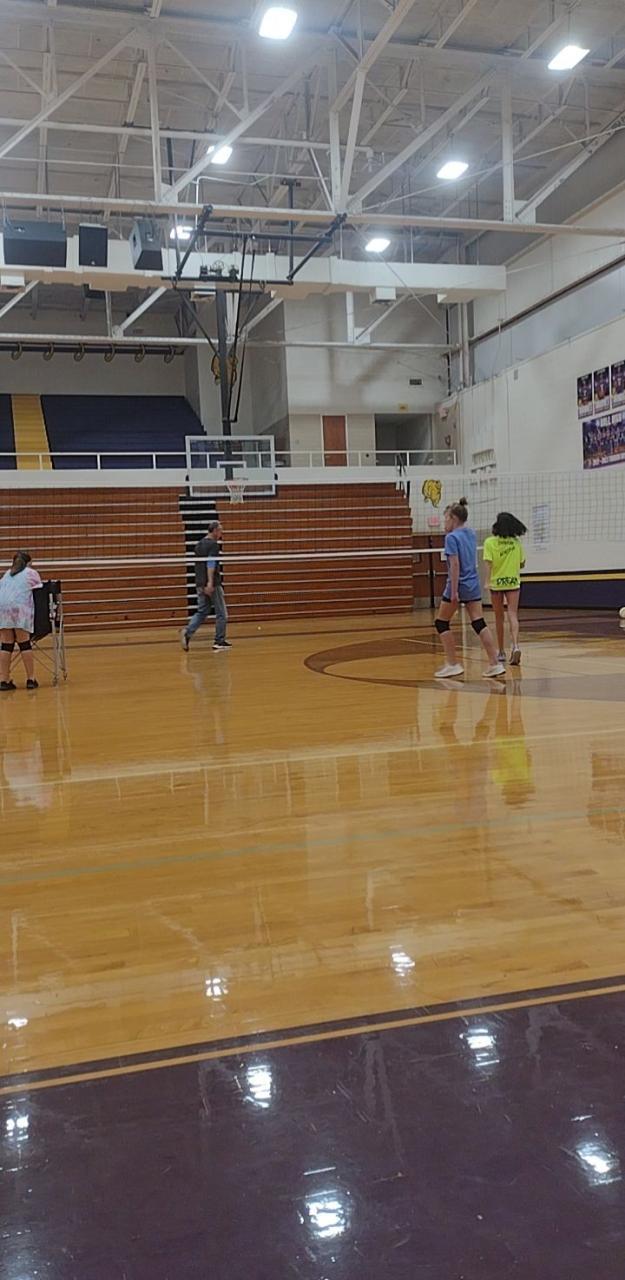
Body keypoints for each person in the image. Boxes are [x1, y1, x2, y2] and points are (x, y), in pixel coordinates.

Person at [434, 498, 504, 680]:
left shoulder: (451, 538)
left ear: (453, 519)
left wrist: (454, 592)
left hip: (459, 584)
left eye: (446, 518)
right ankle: (495, 663)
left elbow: (455, 565)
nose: (444, 522)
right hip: (473, 584)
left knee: (441, 623)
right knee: (479, 623)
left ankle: (452, 664)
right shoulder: (471, 533)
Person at [483, 512, 527, 666]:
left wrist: (487, 581)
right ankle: (515, 646)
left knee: (499, 617)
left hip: (497, 584)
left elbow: (488, 564)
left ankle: (501, 651)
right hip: (513, 582)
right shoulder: (516, 543)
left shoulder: (490, 542)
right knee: (513, 615)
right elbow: (522, 563)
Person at [180, 519, 230, 653]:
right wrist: (210, 583)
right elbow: (210, 564)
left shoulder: (199, 544)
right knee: (222, 613)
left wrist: (202, 583)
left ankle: (188, 632)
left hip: (199, 583)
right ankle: (219, 641)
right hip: (212, 583)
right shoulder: (213, 545)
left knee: (202, 611)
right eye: (220, 530)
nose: (222, 533)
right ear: (215, 531)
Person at [0, 550, 42, 691]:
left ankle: (4, 680)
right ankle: (31, 679)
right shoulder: (31, 573)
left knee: (6, 645)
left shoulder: (7, 574)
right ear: (28, 563)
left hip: (2, 610)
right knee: (24, 644)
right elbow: (40, 590)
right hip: (20, 610)